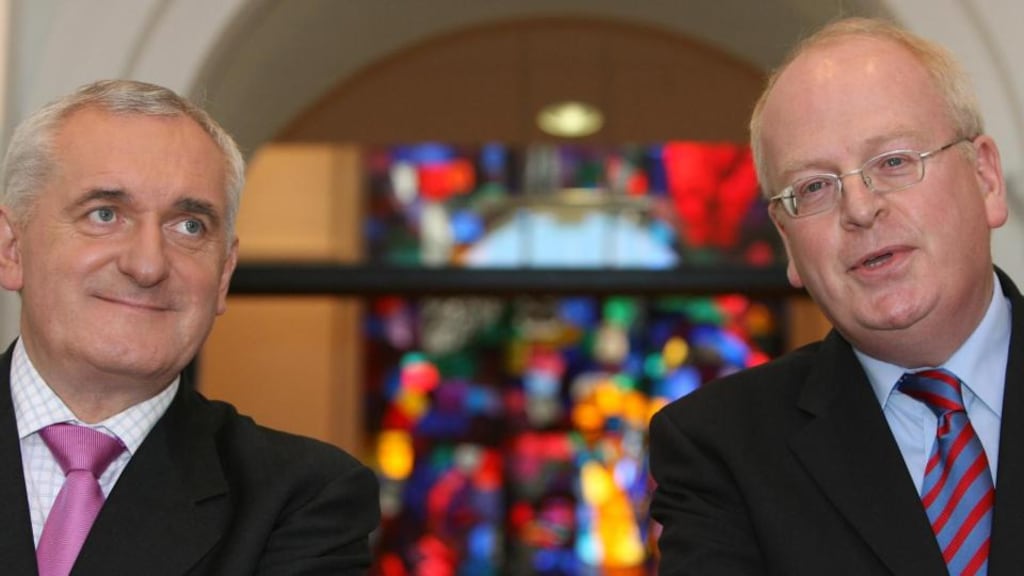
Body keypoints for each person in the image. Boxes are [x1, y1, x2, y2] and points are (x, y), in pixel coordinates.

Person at [649, 17, 1024, 576]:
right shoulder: (719, 448)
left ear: (987, 179)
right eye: (814, 188)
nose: (860, 208)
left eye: (894, 162)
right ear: (789, 246)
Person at [0, 79, 380, 575]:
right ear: (12, 248)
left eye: (189, 226)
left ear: (223, 274)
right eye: (105, 214)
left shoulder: (301, 498)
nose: (147, 265)